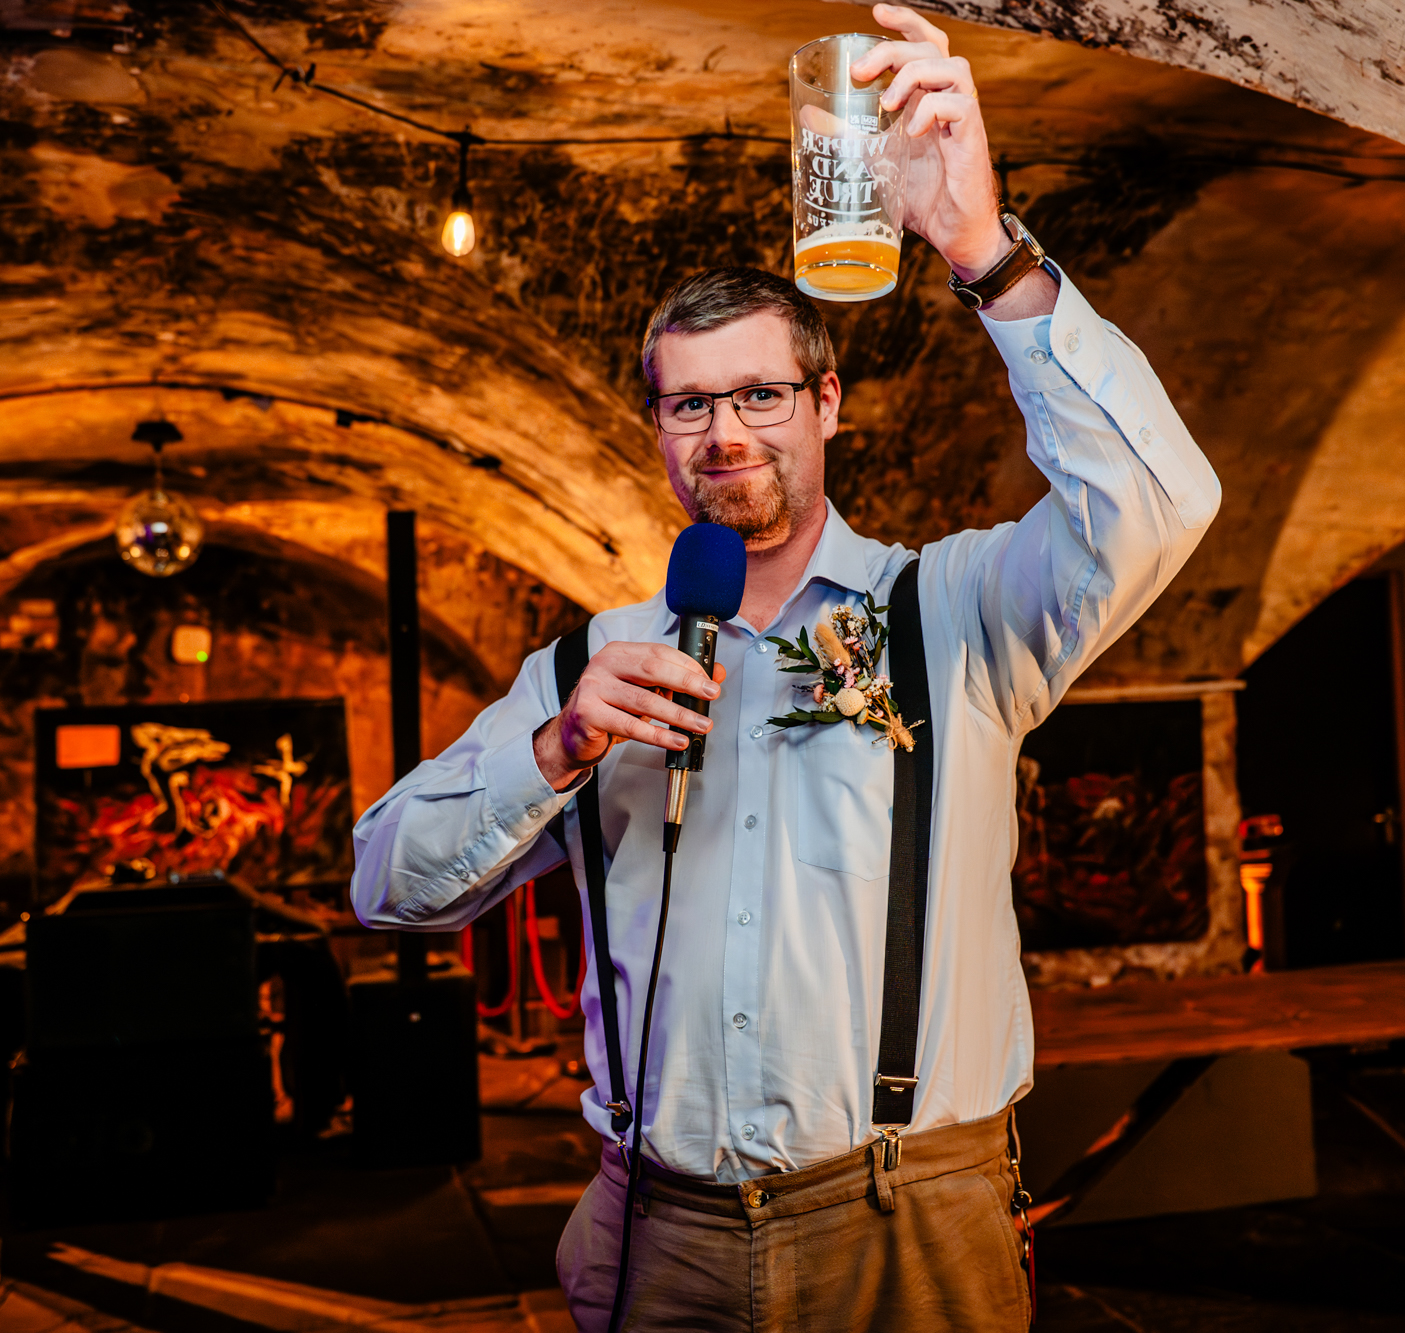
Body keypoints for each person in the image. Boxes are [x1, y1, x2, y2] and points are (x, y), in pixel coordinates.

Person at [352, 6, 1220, 1328]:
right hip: (658, 1228)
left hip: (906, 1221)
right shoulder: (592, 662)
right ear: (658, 427)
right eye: (690, 403)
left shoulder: (956, 610)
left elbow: (1160, 503)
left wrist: (983, 248)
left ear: (826, 405)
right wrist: (556, 750)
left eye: (759, 394)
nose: (724, 432)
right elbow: (385, 887)